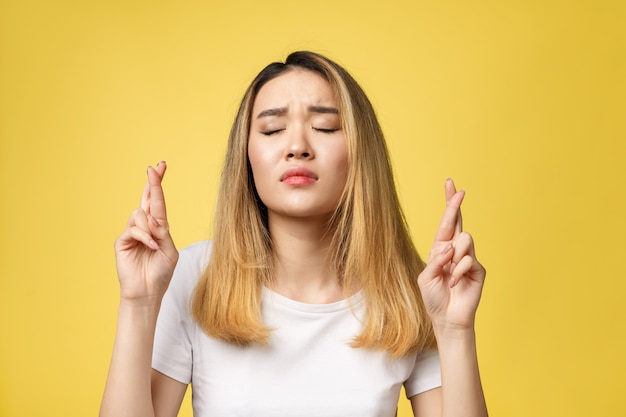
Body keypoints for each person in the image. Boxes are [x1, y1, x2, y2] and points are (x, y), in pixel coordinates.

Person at [100, 51, 488, 417]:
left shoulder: (409, 290)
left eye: (325, 127)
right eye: (272, 129)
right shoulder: (194, 277)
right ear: (246, 156)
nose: (297, 146)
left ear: (360, 154)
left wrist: (455, 330)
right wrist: (139, 303)